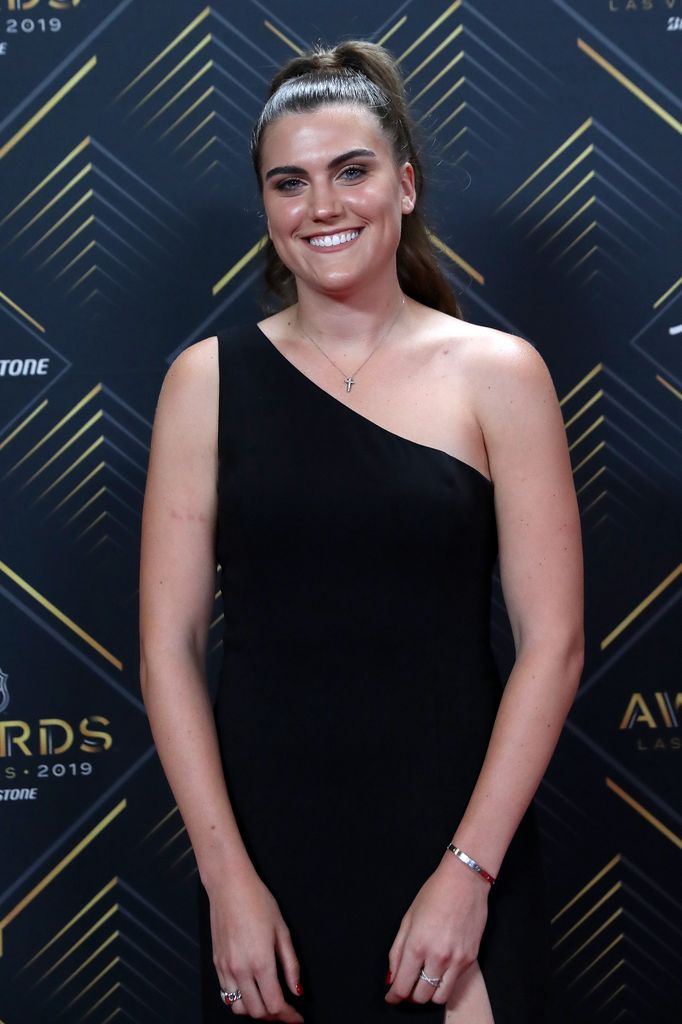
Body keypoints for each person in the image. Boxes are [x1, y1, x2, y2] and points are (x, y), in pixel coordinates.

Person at [139, 39, 584, 1024]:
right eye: (288, 183)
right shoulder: (202, 384)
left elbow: (551, 645)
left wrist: (468, 873)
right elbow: (167, 650)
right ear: (264, 205)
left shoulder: (498, 374)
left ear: (406, 184)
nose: (322, 207)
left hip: (459, 844)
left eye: (352, 171)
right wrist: (226, 882)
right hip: (264, 863)